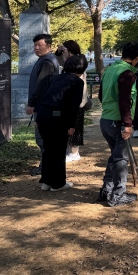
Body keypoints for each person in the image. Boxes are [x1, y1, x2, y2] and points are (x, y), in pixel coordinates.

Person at [97, 41, 138, 207]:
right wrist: (128, 124)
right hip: (118, 122)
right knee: (121, 159)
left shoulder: (110, 70)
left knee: (115, 156)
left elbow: (101, 95)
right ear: (136, 58)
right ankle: (118, 194)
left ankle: (107, 190)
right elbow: (125, 101)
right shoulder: (127, 74)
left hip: (106, 119)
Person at [32, 55, 87, 191]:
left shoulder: (54, 78)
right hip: (58, 118)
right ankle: (58, 183)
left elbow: (40, 95)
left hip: (43, 116)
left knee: (48, 149)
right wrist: (72, 125)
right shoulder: (77, 82)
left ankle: (46, 181)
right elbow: (73, 105)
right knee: (59, 151)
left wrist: (37, 118)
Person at [26, 33, 60, 175]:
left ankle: (46, 168)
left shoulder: (47, 62)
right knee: (45, 138)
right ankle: (46, 166)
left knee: (43, 138)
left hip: (44, 107)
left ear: (49, 46)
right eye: (35, 45)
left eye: (39, 45)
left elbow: (41, 86)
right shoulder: (46, 59)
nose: (36, 48)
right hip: (45, 107)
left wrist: (32, 104)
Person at [57, 40, 89, 162]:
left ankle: (74, 152)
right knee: (70, 126)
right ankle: (70, 151)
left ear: (70, 50)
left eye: (64, 50)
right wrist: (58, 52)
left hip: (77, 101)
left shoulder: (78, 61)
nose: (63, 52)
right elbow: (58, 62)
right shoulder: (70, 61)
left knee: (76, 126)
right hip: (70, 100)